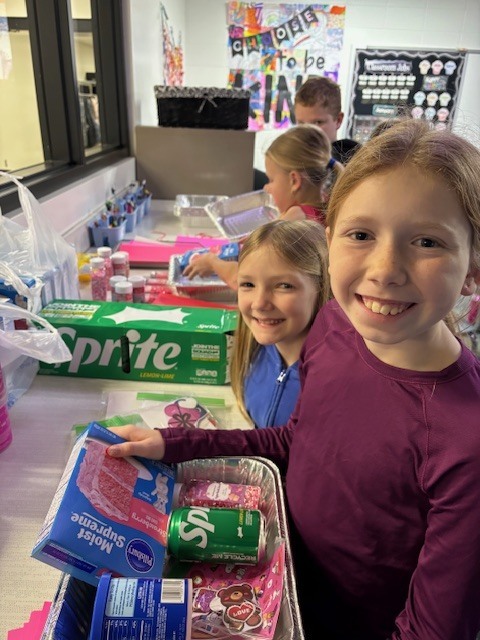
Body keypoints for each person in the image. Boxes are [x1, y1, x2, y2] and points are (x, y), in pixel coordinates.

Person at [107, 119, 480, 640]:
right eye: (361, 234)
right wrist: (174, 443)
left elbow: (435, 629)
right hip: (275, 592)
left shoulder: (465, 438)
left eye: (426, 241)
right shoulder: (330, 328)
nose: (385, 268)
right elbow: (293, 440)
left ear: (472, 267)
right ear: (329, 240)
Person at [183, 124, 342, 283]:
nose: (266, 187)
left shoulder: (294, 223)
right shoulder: (328, 204)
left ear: (294, 181)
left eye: (271, 179)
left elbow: (246, 281)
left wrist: (212, 263)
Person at [230, 219, 329, 428]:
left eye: (284, 286)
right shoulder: (253, 351)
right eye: (248, 284)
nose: (259, 303)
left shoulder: (332, 381)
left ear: (322, 288)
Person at [294, 76, 361, 165]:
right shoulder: (288, 159)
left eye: (317, 123)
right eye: (301, 124)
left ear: (338, 120)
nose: (308, 133)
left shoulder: (358, 165)